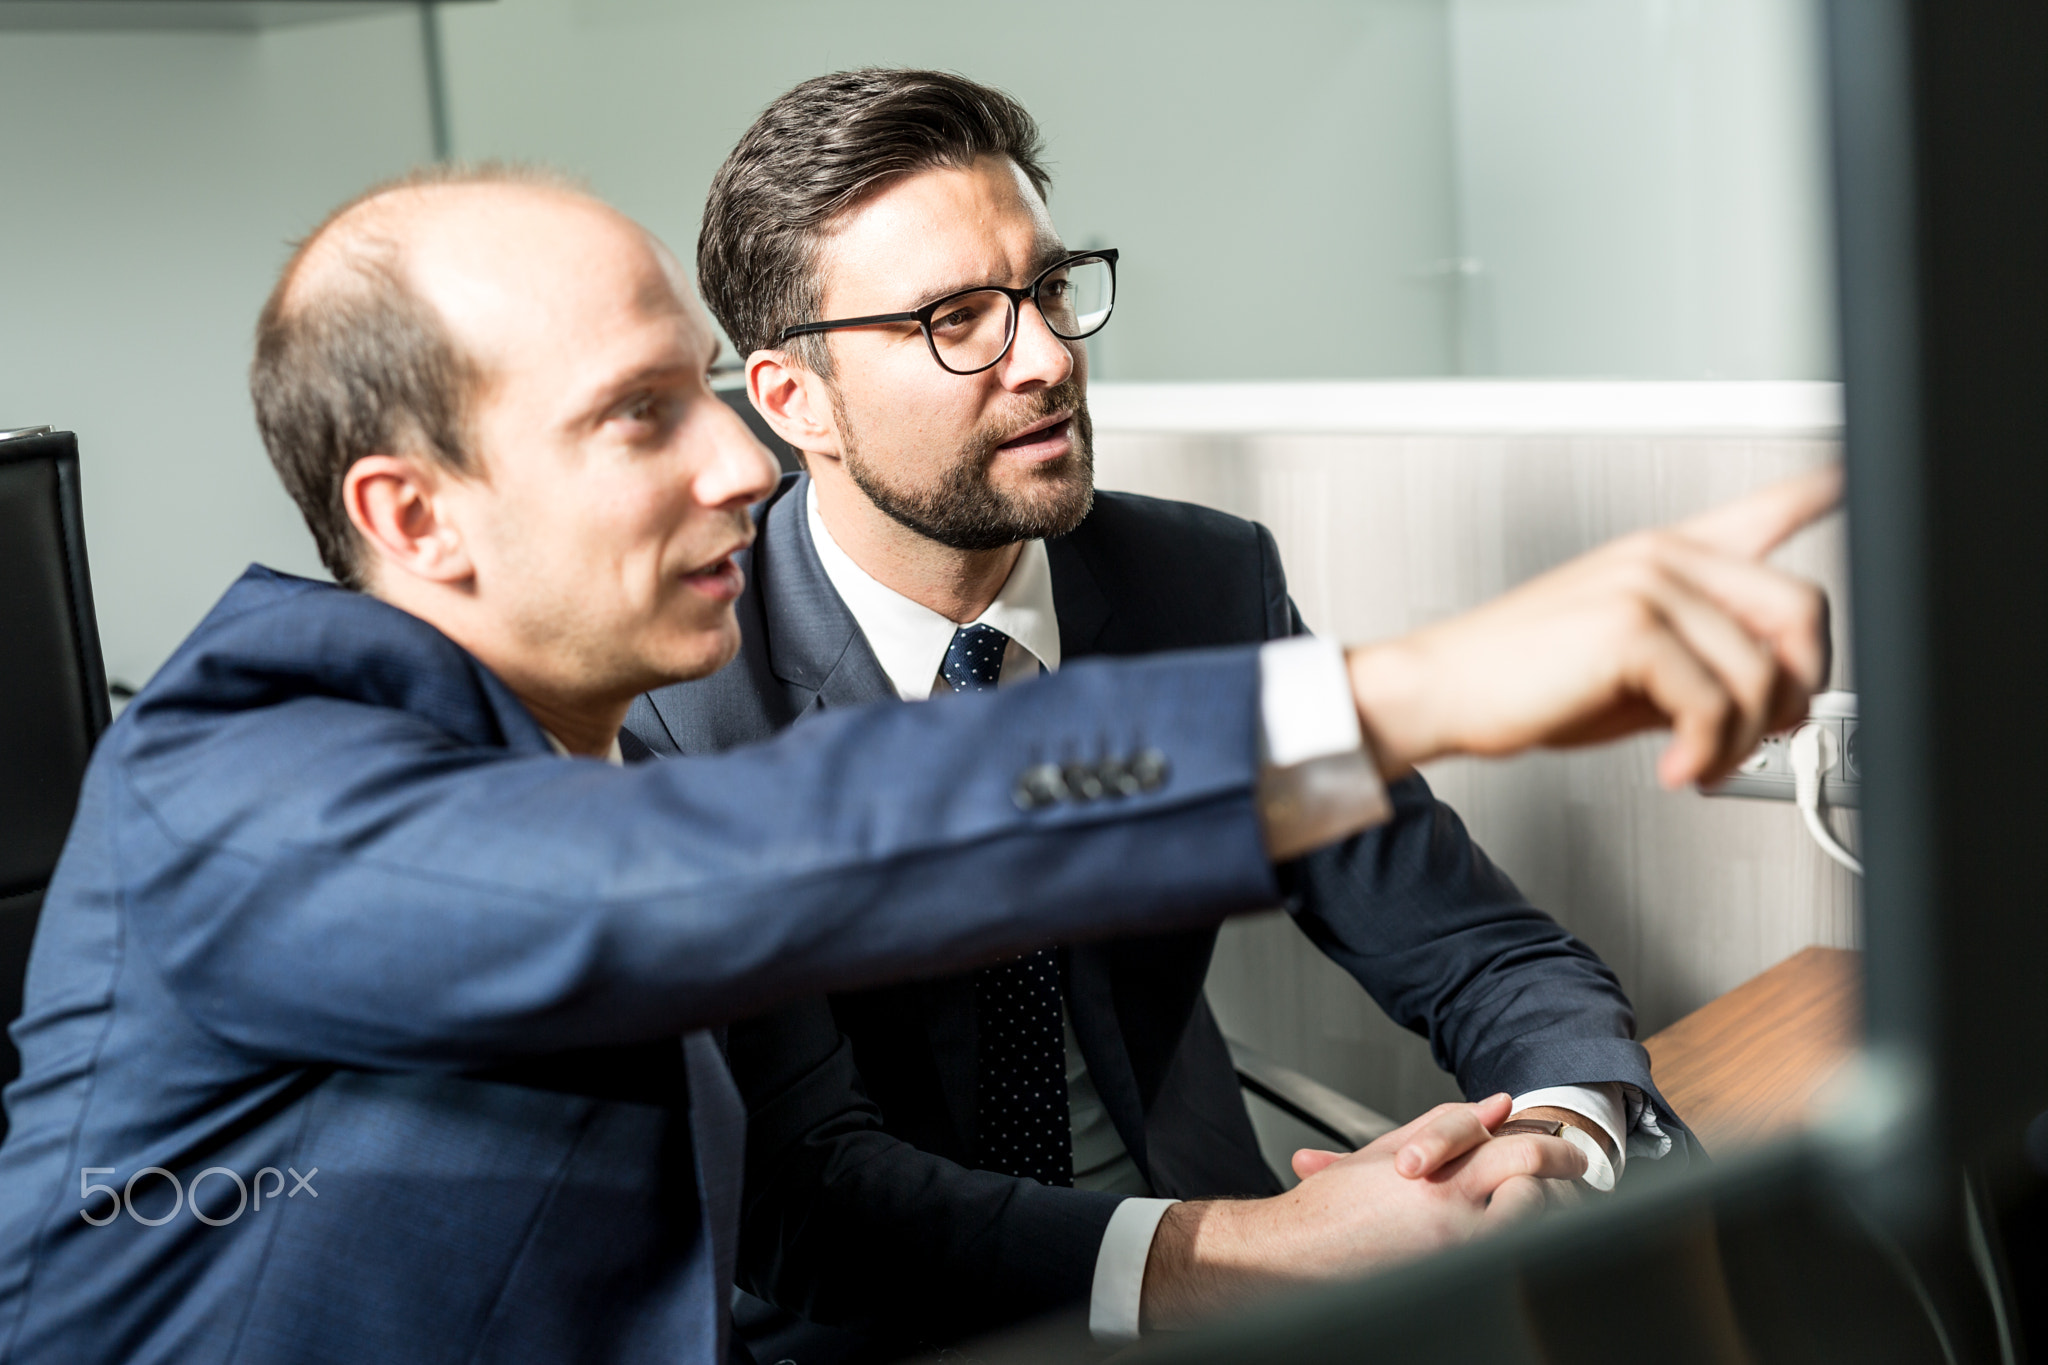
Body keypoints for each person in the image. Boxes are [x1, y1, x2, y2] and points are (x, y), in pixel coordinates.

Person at [0, 164, 1830, 1365]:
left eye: (697, 396)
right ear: (415, 517)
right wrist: (1411, 687)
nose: (733, 466)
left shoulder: (578, 754)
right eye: (641, 417)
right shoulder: (234, 786)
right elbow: (754, 874)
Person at [630, 69, 1837, 1358]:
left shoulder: (1192, 589)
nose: (1045, 357)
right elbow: (817, 1200)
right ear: (791, 397)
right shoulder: (683, 696)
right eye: (954, 320)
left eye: (1044, 290)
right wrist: (1243, 1255)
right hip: (887, 1326)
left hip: (1215, 1249)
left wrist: (1561, 1131)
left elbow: (1471, 949)